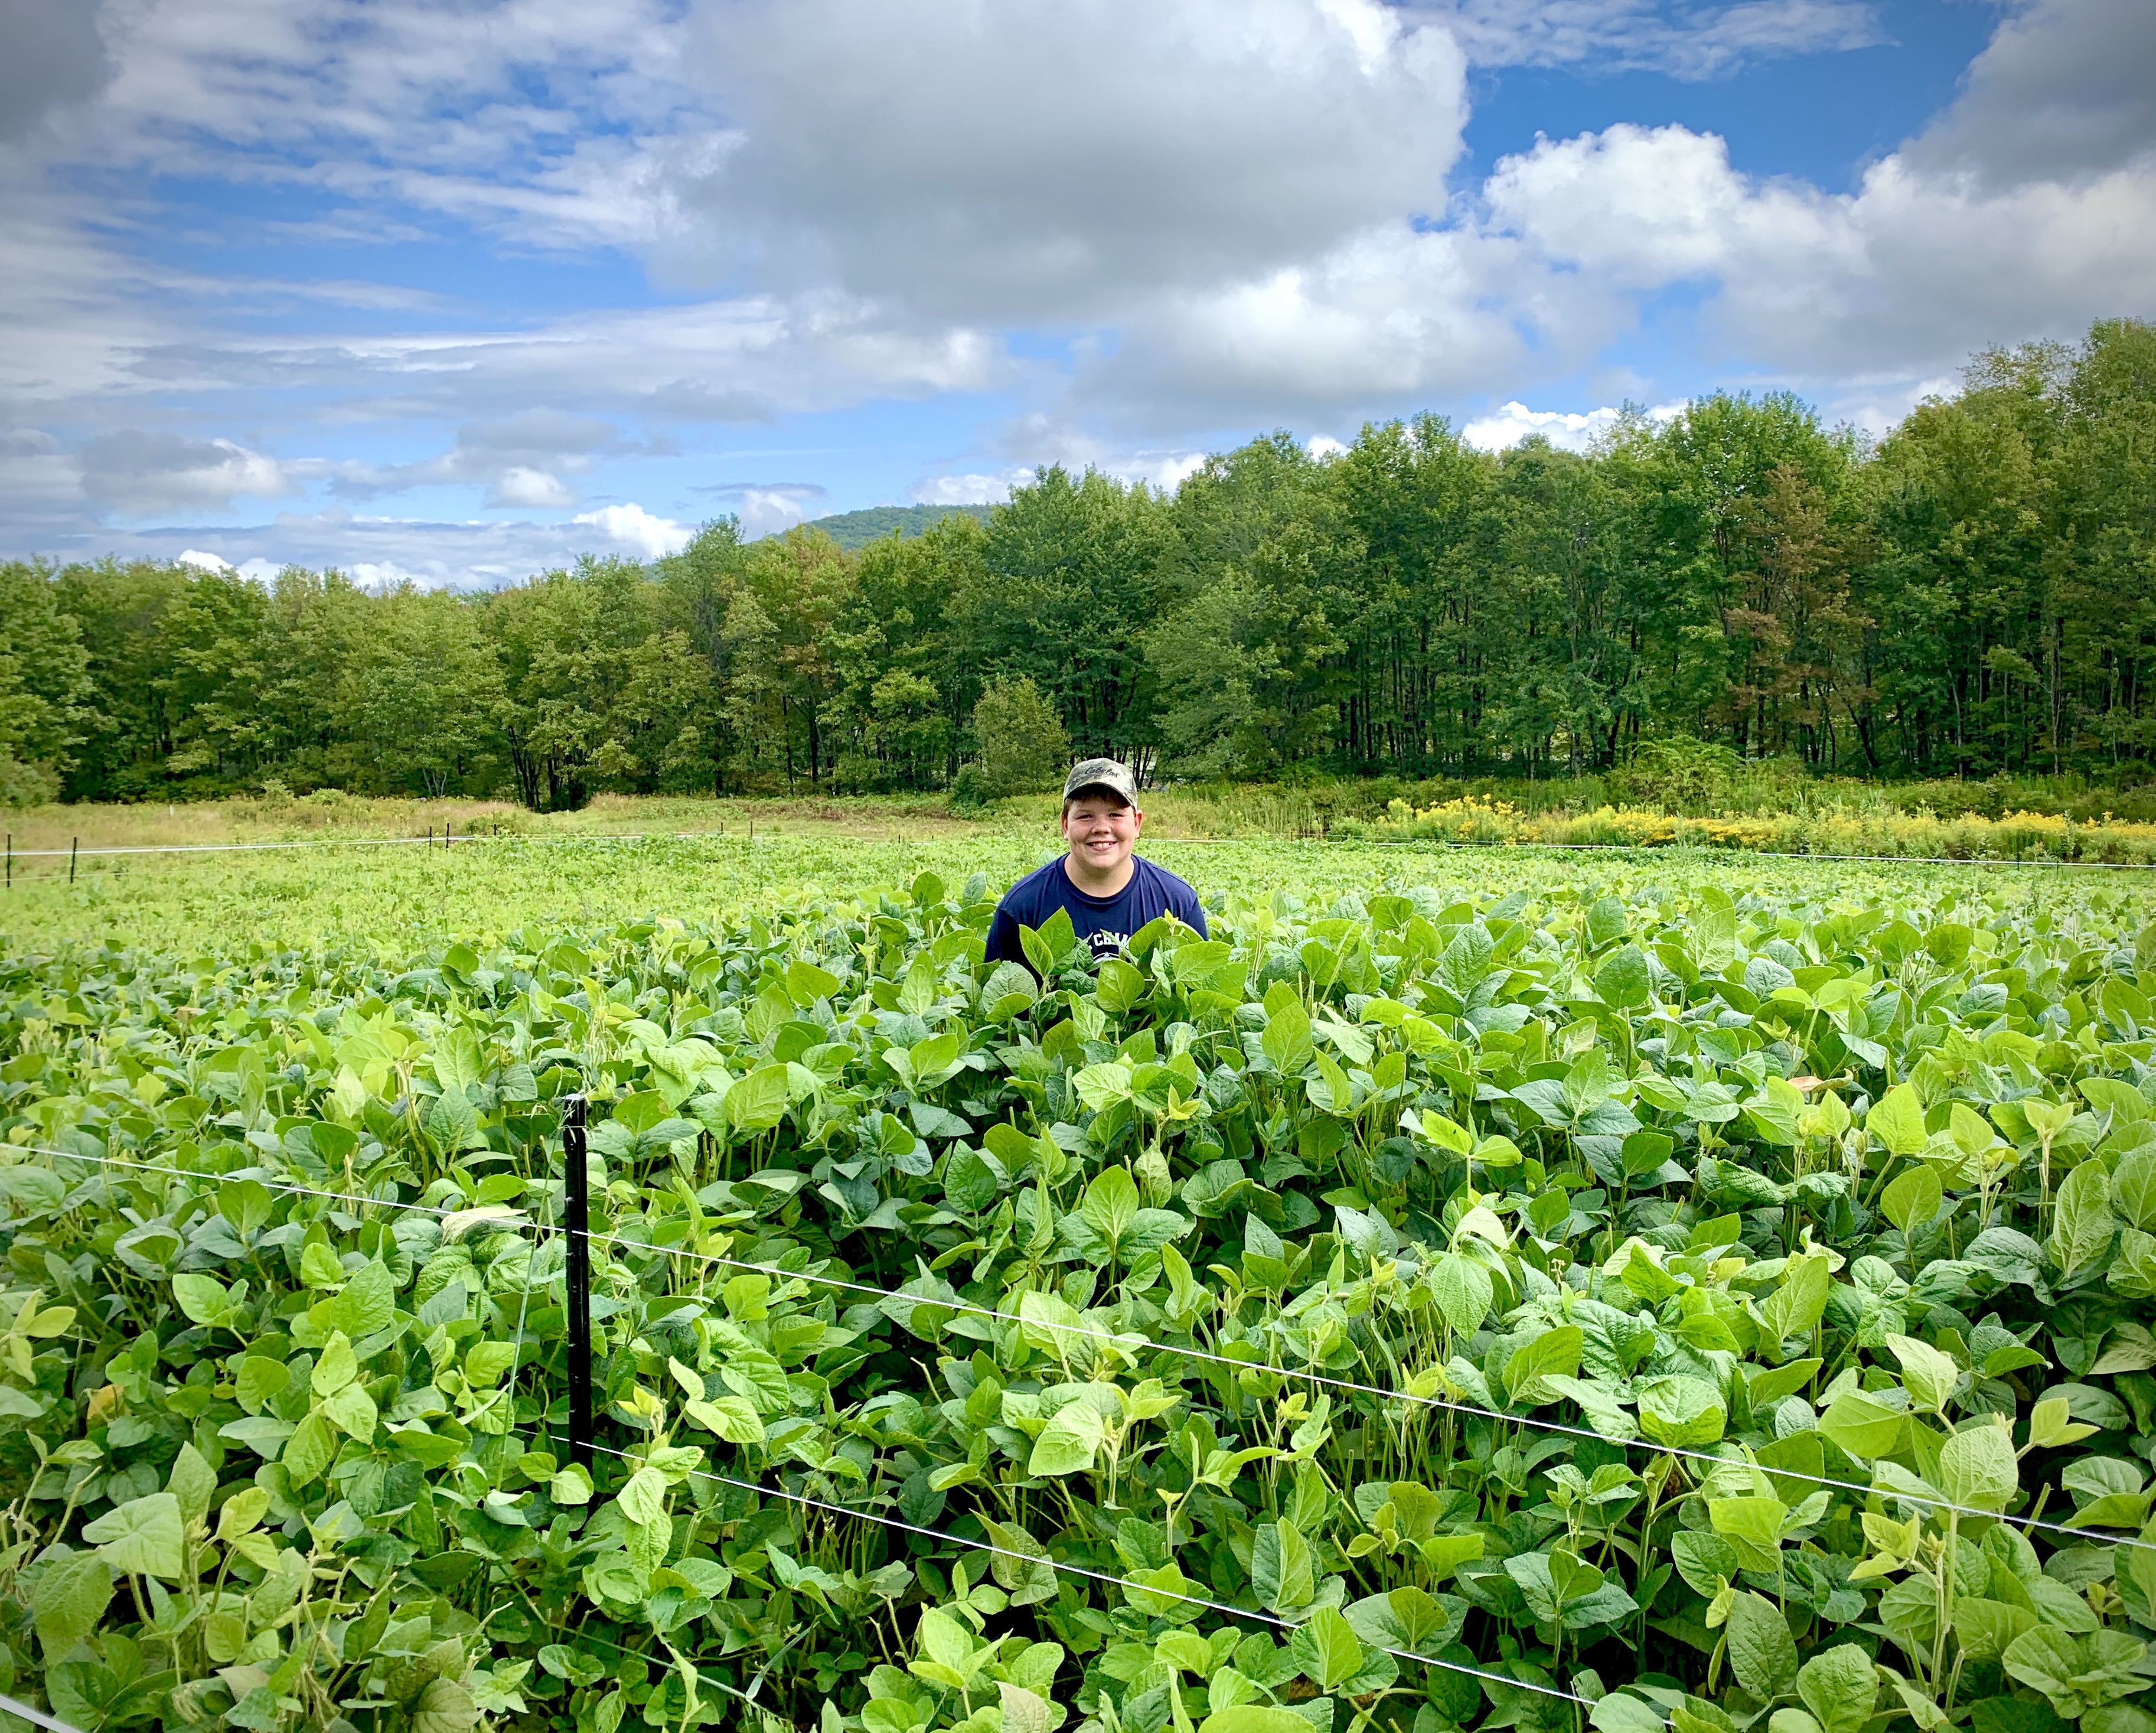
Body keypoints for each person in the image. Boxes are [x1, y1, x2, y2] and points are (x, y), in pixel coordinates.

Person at [986, 757, 1207, 968]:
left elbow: (1197, 997)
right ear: (1065, 825)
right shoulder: (1022, 908)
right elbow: (1001, 997)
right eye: (1085, 816)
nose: (1101, 828)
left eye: (1115, 815)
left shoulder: (1178, 903)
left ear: (1137, 824)